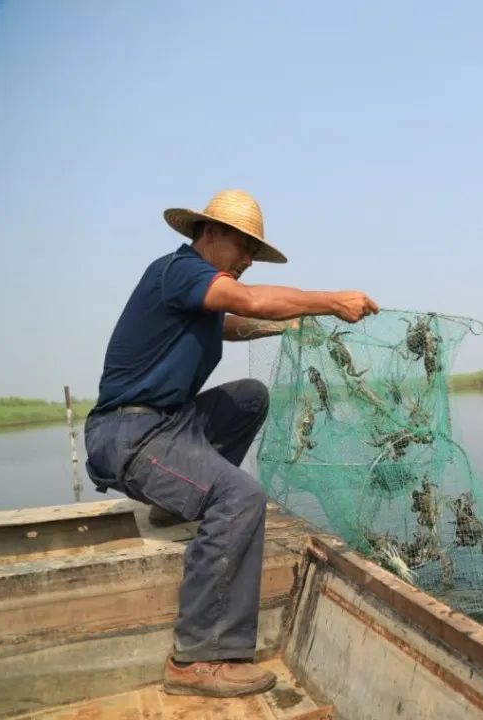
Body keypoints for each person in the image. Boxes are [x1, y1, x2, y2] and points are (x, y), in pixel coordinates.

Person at [84, 189, 379, 698]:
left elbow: (235, 322)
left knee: (248, 397)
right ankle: (196, 658)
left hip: (169, 427)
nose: (246, 259)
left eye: (253, 252)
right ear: (208, 233)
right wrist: (329, 302)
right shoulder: (177, 271)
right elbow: (243, 300)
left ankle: (170, 503)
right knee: (239, 497)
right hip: (128, 434)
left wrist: (287, 325)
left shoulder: (194, 294)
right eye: (242, 245)